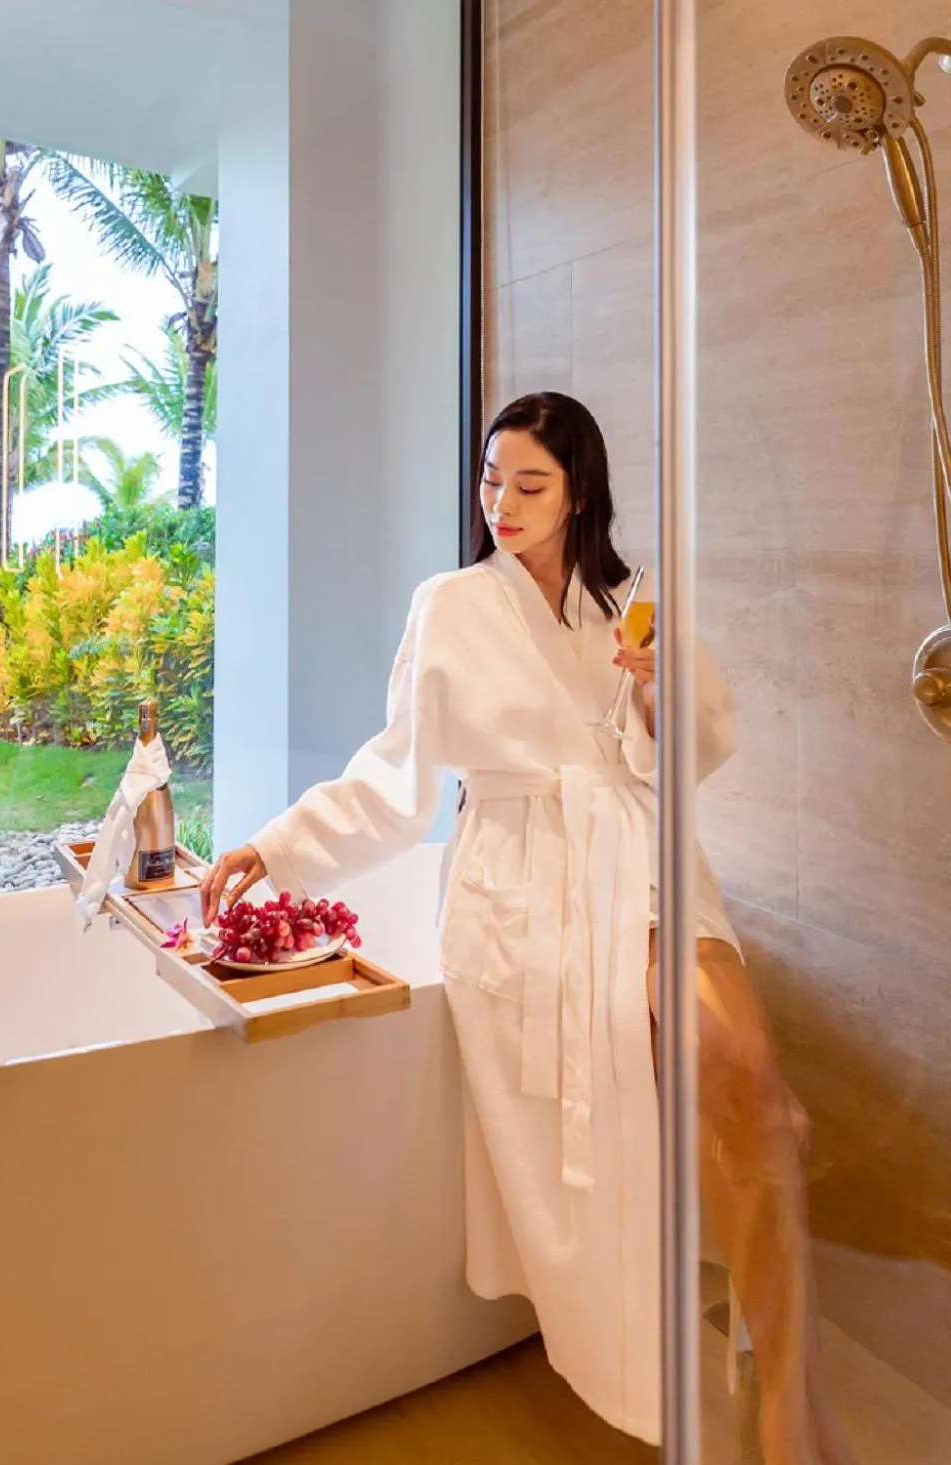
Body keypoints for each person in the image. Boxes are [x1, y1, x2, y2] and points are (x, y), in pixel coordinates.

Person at [200, 392, 857, 1465]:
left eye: (528, 483)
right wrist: (275, 847)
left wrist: (657, 692)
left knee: (750, 1076)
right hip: (522, 877)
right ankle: (779, 1407)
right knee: (720, 1063)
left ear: (580, 492)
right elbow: (395, 779)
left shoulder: (629, 604)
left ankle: (791, 1390)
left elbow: (691, 752)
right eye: (488, 478)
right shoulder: (451, 604)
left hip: (641, 856)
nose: (499, 502)